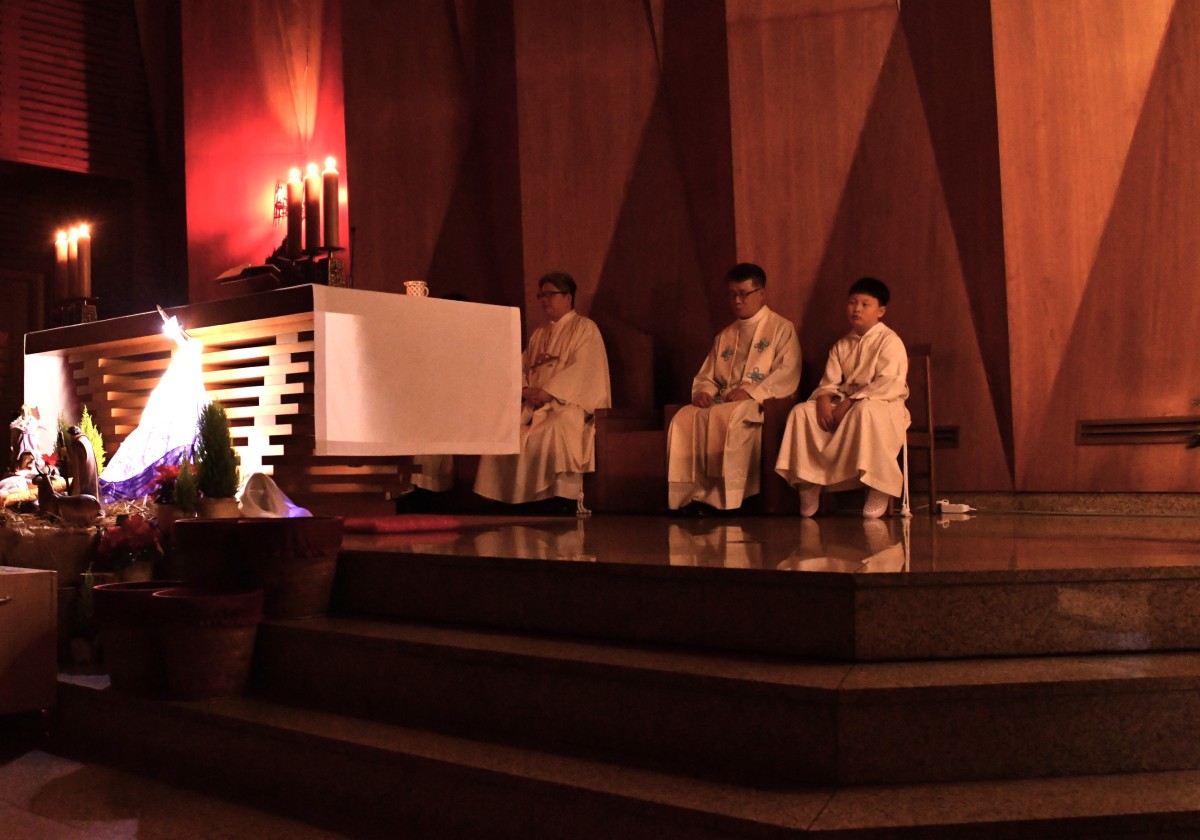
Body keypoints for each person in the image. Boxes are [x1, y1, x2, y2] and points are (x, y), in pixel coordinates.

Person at [667, 263, 801, 512]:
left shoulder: (782, 329)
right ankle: (689, 497)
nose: (737, 301)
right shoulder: (725, 335)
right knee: (684, 417)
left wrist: (751, 392)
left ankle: (726, 499)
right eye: (732, 294)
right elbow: (708, 375)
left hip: (760, 404)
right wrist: (704, 392)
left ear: (761, 293)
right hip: (725, 400)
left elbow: (787, 372)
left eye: (743, 293)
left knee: (732, 416)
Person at [775, 276, 910, 518]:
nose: (857, 309)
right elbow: (829, 383)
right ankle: (809, 482)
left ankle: (879, 485)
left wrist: (850, 401)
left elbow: (890, 383)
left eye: (865, 304)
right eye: (852, 302)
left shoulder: (890, 341)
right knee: (801, 412)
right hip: (845, 405)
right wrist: (824, 402)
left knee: (865, 411)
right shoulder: (841, 345)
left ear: (880, 311)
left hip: (882, 405)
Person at [475, 272, 611, 509]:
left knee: (556, 427)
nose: (544, 300)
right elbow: (520, 365)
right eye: (541, 295)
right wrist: (524, 388)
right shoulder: (539, 333)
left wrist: (549, 392)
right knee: (507, 431)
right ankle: (508, 496)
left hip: (567, 404)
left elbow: (585, 368)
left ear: (568, 297)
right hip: (535, 406)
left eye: (550, 294)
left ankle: (559, 497)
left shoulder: (584, 328)